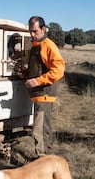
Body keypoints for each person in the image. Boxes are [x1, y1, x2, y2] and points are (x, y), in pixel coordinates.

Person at [25, 16, 65, 158]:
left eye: (35, 31)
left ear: (43, 29)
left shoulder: (48, 45)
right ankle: (45, 158)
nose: (32, 34)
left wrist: (38, 81)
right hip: (39, 94)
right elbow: (39, 68)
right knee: (43, 128)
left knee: (39, 130)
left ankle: (42, 160)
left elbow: (59, 70)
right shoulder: (37, 46)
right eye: (30, 31)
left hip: (44, 94)